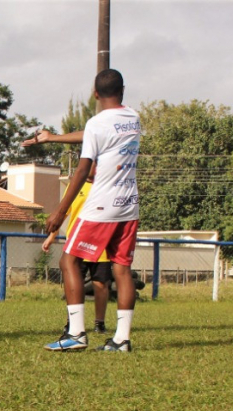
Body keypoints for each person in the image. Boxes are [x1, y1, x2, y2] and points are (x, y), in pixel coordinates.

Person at [43, 69, 140, 352]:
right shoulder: (133, 118)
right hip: (129, 205)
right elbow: (96, 134)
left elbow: (84, 168)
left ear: (95, 93)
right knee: (122, 269)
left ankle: (76, 334)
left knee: (68, 262)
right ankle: (121, 340)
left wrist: (60, 211)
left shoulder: (97, 124)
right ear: (123, 90)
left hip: (101, 206)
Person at [41, 163, 111, 335]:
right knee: (74, 283)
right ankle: (73, 321)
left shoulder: (106, 187)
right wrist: (51, 237)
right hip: (77, 243)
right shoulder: (75, 187)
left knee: (100, 284)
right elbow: (62, 214)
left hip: (101, 243)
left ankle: (99, 323)